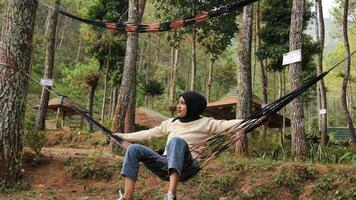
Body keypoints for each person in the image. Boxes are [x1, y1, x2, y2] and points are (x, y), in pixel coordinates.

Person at [114, 91, 242, 200]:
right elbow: (149, 134)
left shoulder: (206, 123)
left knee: (176, 141)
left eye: (183, 103)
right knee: (133, 149)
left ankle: (171, 195)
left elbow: (230, 124)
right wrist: (124, 136)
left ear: (193, 106)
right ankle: (127, 197)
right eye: (178, 102)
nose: (178, 106)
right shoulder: (172, 122)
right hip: (165, 164)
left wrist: (258, 119)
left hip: (188, 165)